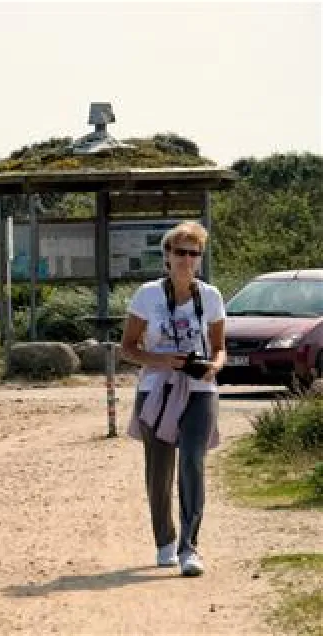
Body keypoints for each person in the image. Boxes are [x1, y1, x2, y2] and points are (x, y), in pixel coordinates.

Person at [120, 220, 227, 578]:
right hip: (156, 390)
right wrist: (161, 360)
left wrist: (214, 366)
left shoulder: (210, 296)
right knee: (159, 470)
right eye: (179, 252)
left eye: (193, 253)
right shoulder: (147, 295)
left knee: (193, 463)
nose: (186, 259)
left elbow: (220, 346)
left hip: (199, 391)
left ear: (200, 258)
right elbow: (128, 348)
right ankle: (164, 540)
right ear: (166, 256)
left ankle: (189, 547)